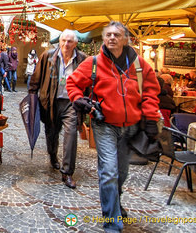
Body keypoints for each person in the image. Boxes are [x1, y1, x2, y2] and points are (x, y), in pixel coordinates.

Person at [67, 21, 160, 232]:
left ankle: (114, 204)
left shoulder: (139, 65)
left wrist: (151, 118)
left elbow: (151, 92)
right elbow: (72, 83)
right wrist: (78, 99)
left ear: (125, 39)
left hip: (130, 128)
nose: (111, 38)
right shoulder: (93, 63)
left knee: (121, 173)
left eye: (116, 35)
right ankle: (112, 223)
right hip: (105, 125)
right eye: (108, 34)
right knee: (108, 172)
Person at [28, 30, 86, 189]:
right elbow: (35, 79)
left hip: (72, 103)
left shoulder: (82, 59)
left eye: (69, 41)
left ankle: (67, 172)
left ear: (75, 43)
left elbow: (88, 82)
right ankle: (53, 155)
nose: (66, 44)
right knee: (51, 133)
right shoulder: (48, 56)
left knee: (71, 134)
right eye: (63, 41)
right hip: (51, 102)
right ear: (59, 42)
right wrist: (33, 98)